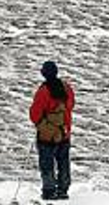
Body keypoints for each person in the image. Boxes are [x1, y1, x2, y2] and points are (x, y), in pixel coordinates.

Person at [29, 61, 75, 201]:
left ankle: (49, 191)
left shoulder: (43, 91)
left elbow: (35, 114)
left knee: (47, 163)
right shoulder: (66, 88)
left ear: (44, 73)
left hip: (47, 135)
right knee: (63, 162)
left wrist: (42, 124)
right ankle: (63, 190)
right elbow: (71, 105)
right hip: (64, 132)